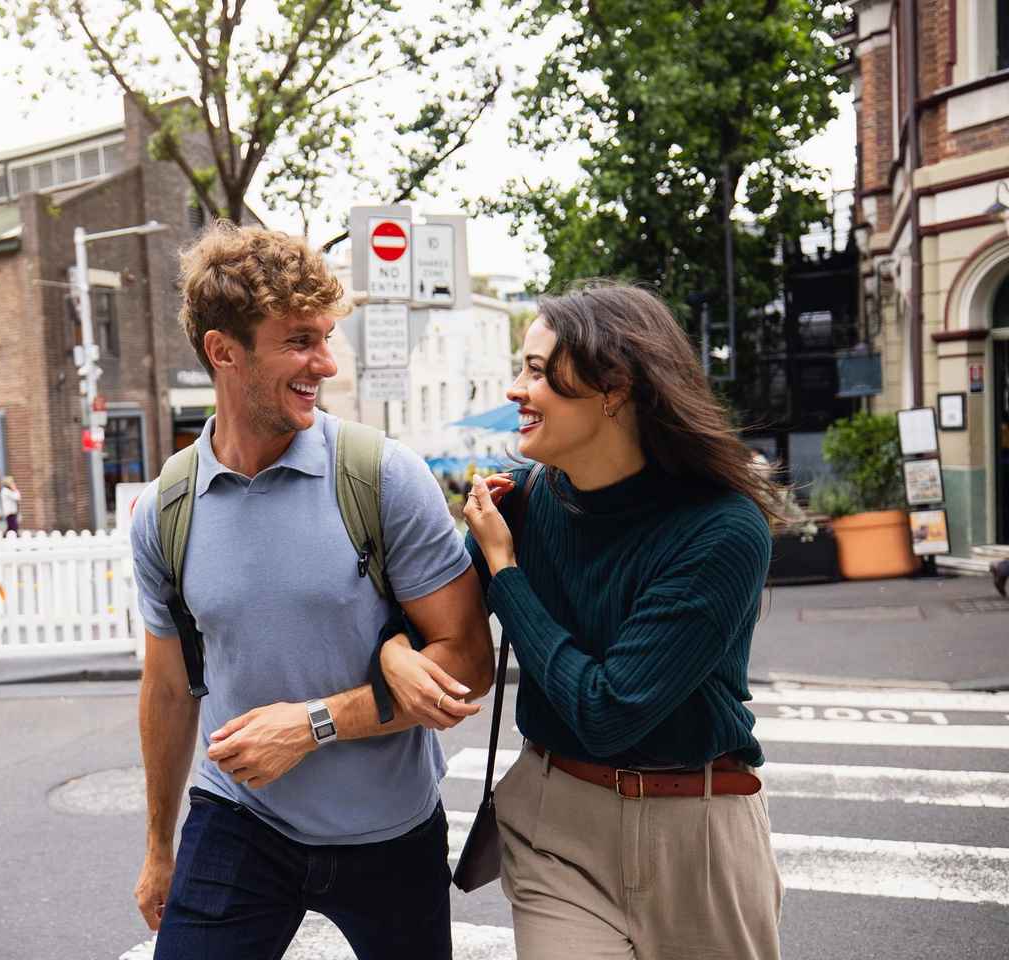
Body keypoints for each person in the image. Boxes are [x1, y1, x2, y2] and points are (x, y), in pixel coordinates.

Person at [380, 281, 784, 960]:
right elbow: (417, 622)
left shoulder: (721, 530)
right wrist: (394, 651)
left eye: (538, 371)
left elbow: (608, 711)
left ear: (614, 389)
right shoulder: (519, 504)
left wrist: (506, 572)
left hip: (700, 835)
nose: (516, 389)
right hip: (556, 828)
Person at [129, 223, 494, 960]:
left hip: (390, 828)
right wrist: (159, 847)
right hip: (240, 820)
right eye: (299, 341)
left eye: (325, 338)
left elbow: (467, 664)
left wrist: (312, 725)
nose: (324, 363)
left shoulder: (382, 477)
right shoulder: (167, 507)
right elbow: (168, 689)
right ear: (223, 351)